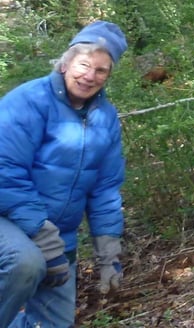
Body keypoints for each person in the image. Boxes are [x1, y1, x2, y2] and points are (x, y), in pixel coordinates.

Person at [0, 21, 128, 327]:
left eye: (101, 70)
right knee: (25, 263)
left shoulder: (106, 117)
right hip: (9, 219)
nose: (89, 76)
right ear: (65, 63)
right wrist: (43, 238)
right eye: (84, 65)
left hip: (59, 237)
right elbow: (4, 171)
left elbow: (105, 189)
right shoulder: (28, 101)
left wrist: (108, 254)